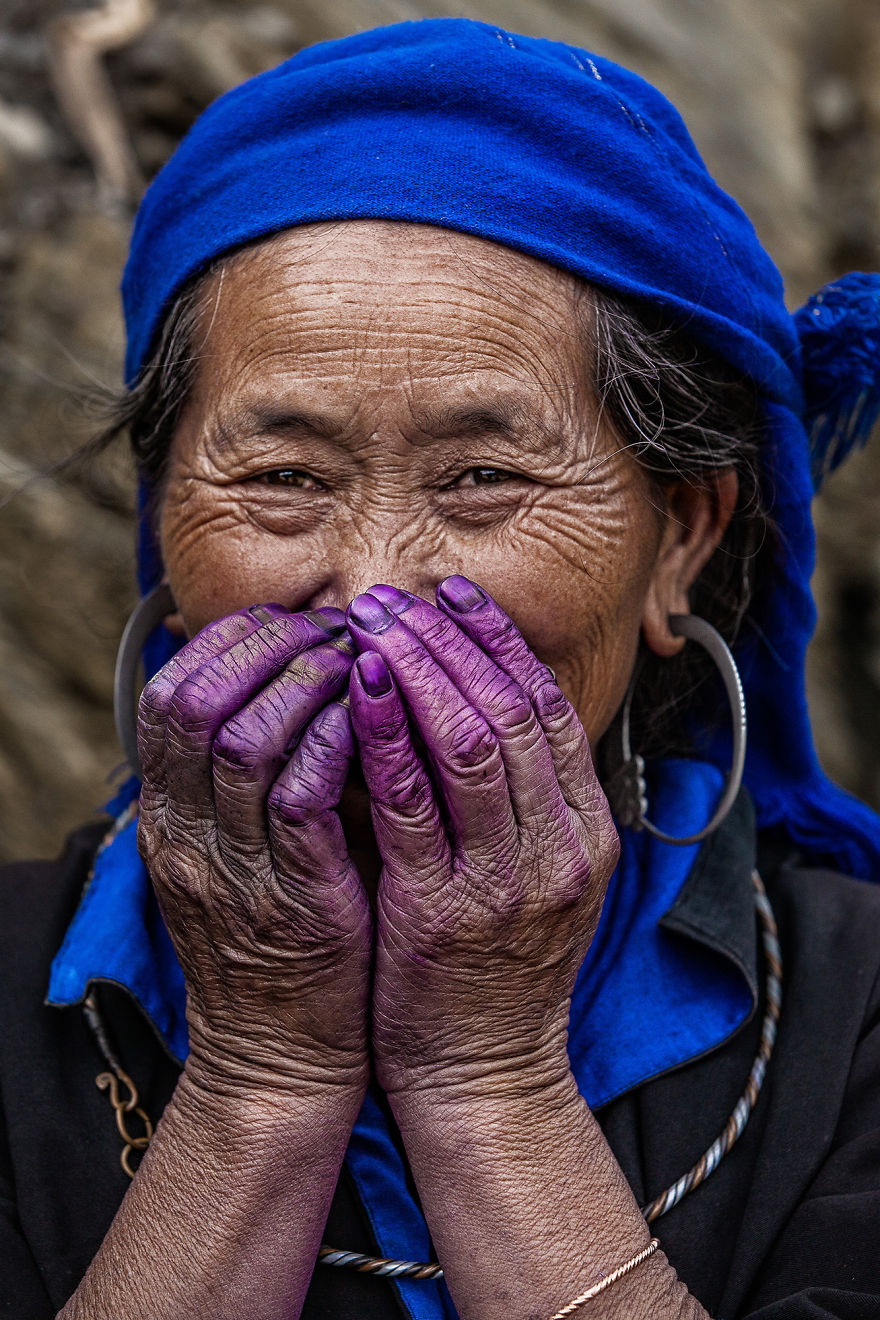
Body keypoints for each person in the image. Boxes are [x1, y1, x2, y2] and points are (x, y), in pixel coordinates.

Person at [2, 17, 880, 1320]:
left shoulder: (854, 1020)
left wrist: (488, 1077)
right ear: (165, 525)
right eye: (284, 479)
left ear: (678, 539)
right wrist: (260, 1075)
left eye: (484, 481)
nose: (369, 594)